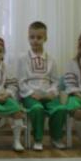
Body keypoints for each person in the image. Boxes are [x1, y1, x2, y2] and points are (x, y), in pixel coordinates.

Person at [16, 21, 66, 151]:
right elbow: (21, 81)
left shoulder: (51, 59)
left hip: (48, 94)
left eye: (39, 37)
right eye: (32, 37)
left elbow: (55, 81)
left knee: (60, 109)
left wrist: (51, 92)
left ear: (45, 38)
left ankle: (56, 138)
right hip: (31, 95)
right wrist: (32, 93)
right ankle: (38, 139)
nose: (35, 40)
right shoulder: (23, 58)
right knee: (37, 108)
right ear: (28, 38)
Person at [0, 36, 25, 152]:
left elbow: (13, 84)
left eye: (0, 51)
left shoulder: (6, 67)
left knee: (17, 110)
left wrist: (7, 94)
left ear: (3, 53)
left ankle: (16, 141)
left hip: (4, 96)